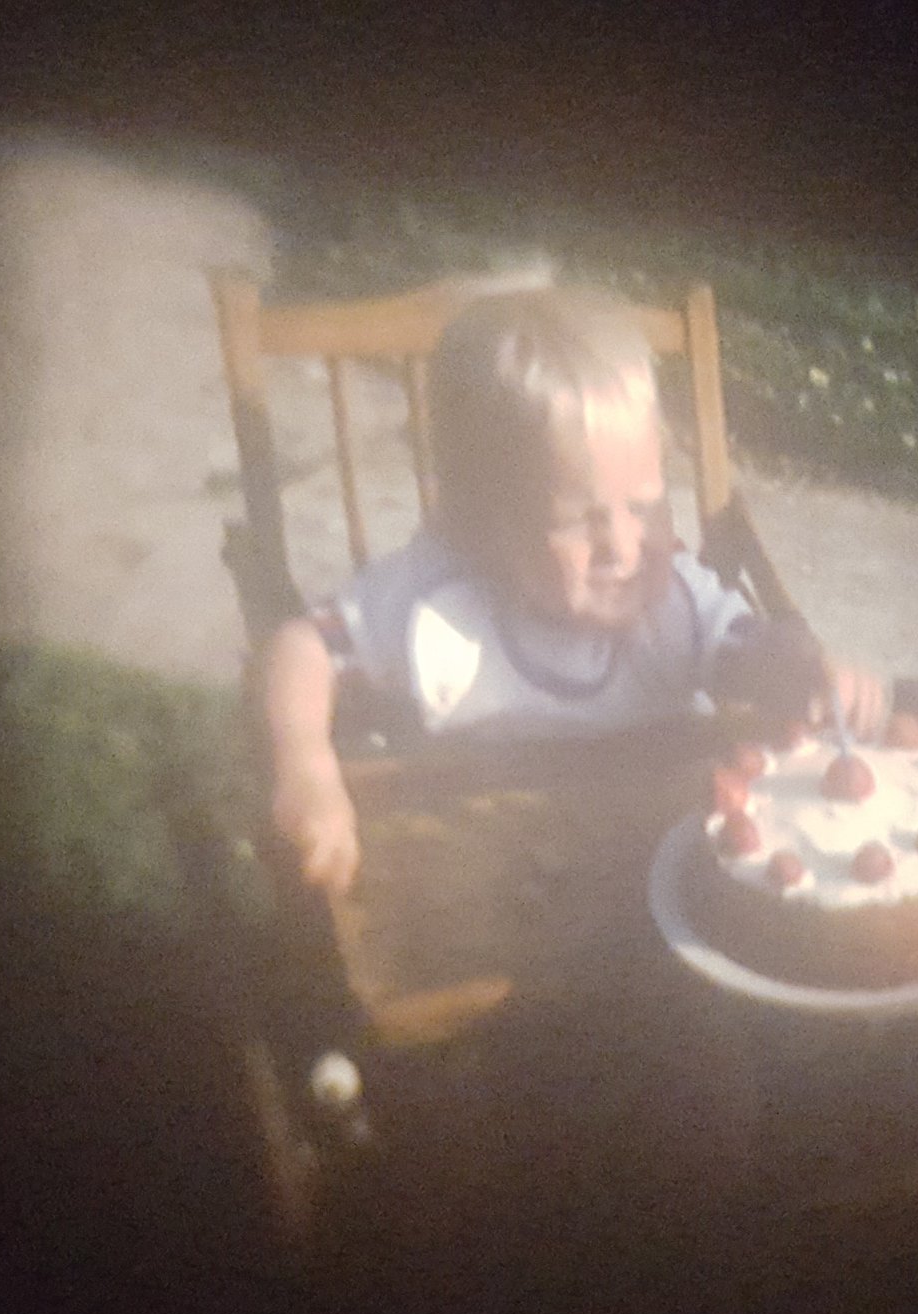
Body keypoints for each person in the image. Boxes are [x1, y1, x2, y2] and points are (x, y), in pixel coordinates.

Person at [265, 284, 886, 895]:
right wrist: (307, 766)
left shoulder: (674, 602)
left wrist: (804, 676)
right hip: (491, 864)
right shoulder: (439, 599)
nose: (623, 546)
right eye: (576, 522)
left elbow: (749, 657)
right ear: (482, 529)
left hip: (663, 856)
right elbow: (305, 646)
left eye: (643, 506)